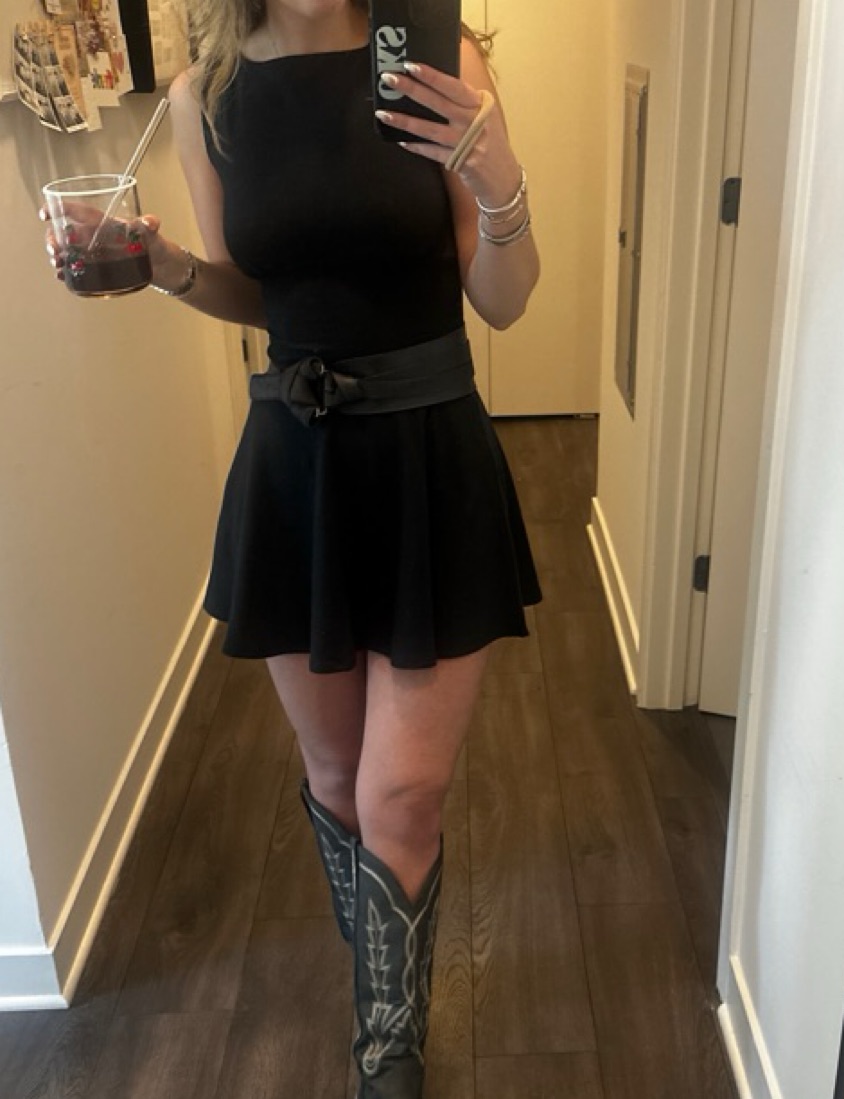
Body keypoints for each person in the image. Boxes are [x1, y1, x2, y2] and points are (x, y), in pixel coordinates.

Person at [47, 1, 540, 1095]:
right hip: (294, 463)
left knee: (402, 790)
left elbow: (502, 301)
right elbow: (257, 291)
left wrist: (501, 185)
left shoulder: (435, 53)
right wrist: (165, 265)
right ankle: (381, 989)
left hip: (427, 455)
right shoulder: (207, 95)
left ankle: (387, 1057)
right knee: (337, 777)